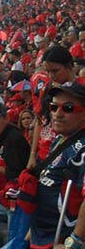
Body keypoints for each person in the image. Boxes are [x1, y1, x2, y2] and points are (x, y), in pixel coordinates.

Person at [29, 83, 85, 248]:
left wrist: (74, 242)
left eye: (68, 108)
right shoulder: (60, 139)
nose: (57, 114)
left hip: (62, 238)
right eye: (53, 107)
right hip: (43, 234)